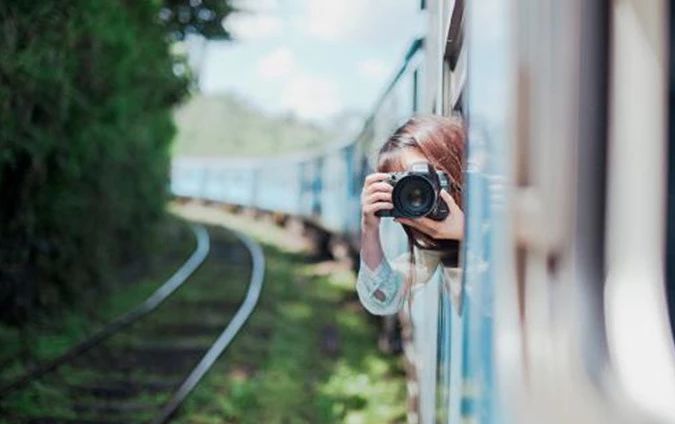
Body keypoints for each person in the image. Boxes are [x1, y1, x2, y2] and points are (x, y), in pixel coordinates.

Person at [356, 114, 465, 316]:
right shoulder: (431, 249)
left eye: (427, 179)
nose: (418, 194)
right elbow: (382, 298)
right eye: (404, 185)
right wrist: (369, 228)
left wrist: (468, 232)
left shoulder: (500, 212)